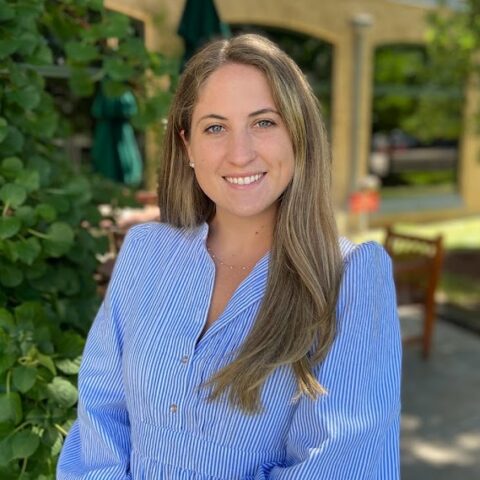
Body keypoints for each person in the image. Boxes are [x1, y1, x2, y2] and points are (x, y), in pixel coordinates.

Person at [57, 34, 401, 479]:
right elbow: (99, 425)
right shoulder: (145, 253)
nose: (240, 154)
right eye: (215, 127)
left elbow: (342, 467)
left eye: (264, 123)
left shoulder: (349, 279)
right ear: (187, 146)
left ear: (298, 133)